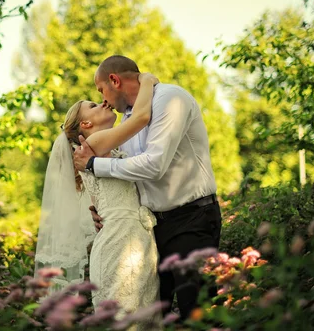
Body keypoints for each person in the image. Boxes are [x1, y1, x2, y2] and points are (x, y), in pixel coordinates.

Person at [74, 55, 222, 320]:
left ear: (115, 80)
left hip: (191, 220)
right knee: (152, 316)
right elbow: (134, 179)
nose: (104, 99)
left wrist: (95, 165)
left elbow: (154, 165)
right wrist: (105, 210)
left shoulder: (170, 99)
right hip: (151, 232)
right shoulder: (125, 124)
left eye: (101, 91)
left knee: (198, 314)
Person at [34, 72, 162, 330]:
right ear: (86, 126)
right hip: (118, 247)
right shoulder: (94, 143)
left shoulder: (105, 149)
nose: (103, 103)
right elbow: (141, 117)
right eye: (92, 106)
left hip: (138, 243)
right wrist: (147, 81)